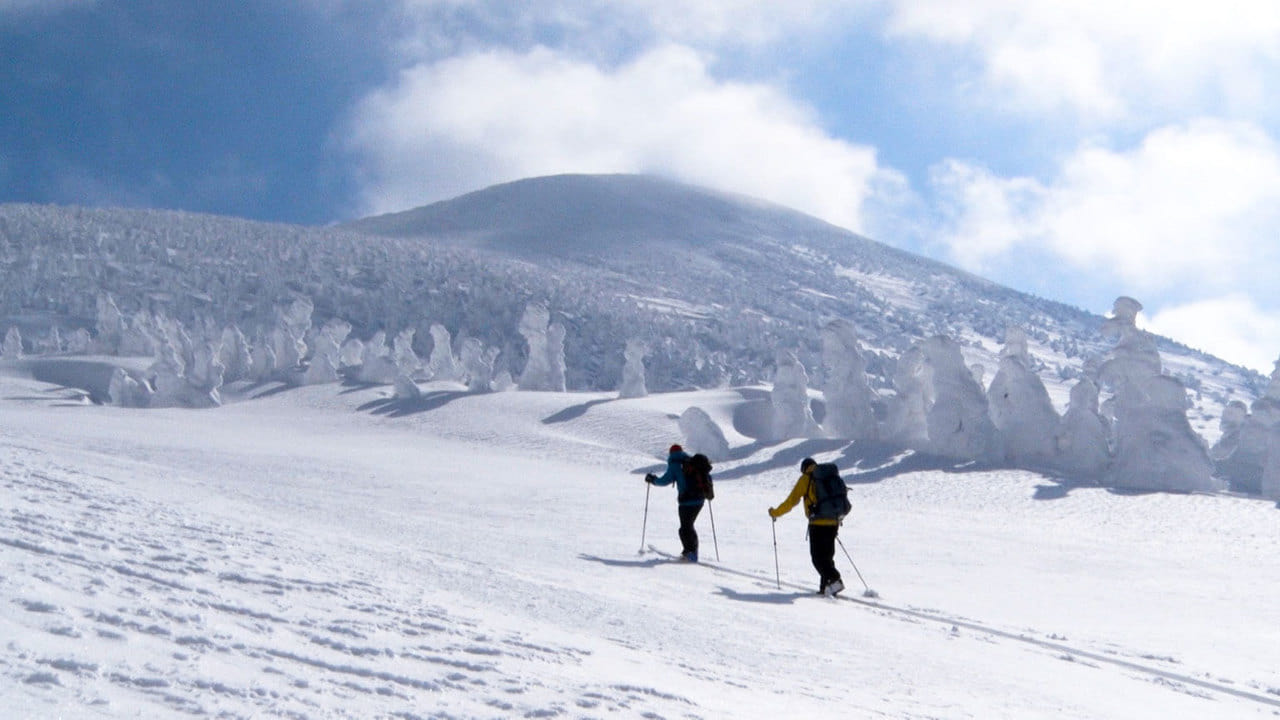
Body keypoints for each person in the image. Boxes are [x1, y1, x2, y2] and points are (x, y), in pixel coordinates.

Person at [768, 457, 844, 596]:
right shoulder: (829, 477)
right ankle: (826, 588)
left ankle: (835, 580)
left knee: (817, 558)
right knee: (827, 557)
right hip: (833, 522)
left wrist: (775, 513)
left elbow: (791, 501)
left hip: (817, 523)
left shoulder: (806, 478)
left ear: (804, 468)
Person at [645, 444, 703, 562]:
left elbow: (664, 481)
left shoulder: (675, 464)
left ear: (671, 453)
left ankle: (691, 553)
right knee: (689, 526)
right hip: (700, 499)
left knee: (685, 528)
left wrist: (653, 480)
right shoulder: (692, 461)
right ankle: (692, 551)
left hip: (687, 502)